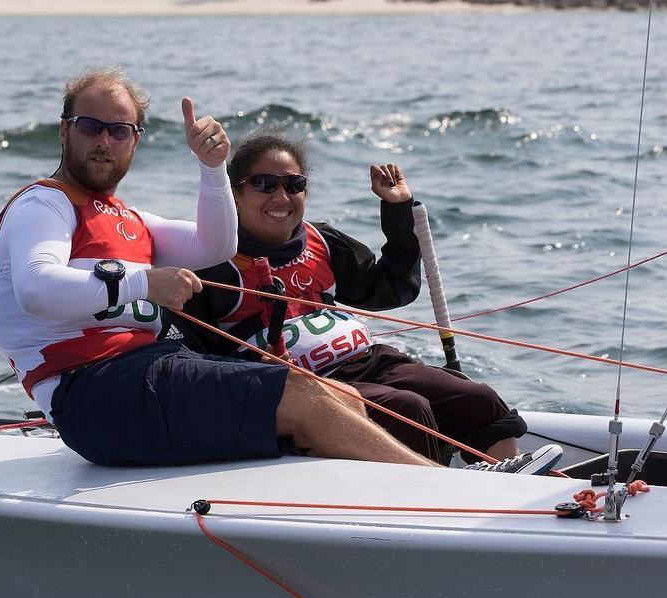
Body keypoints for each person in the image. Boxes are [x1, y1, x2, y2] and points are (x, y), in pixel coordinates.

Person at [0, 67, 558, 475]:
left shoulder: (126, 218)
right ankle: (453, 496)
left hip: (149, 369)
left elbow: (215, 242)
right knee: (312, 398)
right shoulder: (44, 204)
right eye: (91, 126)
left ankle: (453, 484)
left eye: (121, 130)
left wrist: (211, 170)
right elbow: (36, 290)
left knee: (343, 399)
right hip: (94, 393)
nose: (106, 141)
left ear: (135, 141)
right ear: (64, 130)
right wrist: (142, 282)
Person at [160, 132, 550, 470]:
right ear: (236, 194)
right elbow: (188, 360)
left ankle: (514, 492)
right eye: (264, 184)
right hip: (307, 389)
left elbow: (392, 288)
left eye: (294, 184)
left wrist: (397, 209)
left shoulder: (323, 241)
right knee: (408, 409)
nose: (282, 196)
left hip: (369, 362)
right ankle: (440, 503)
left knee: (475, 398)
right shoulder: (210, 265)